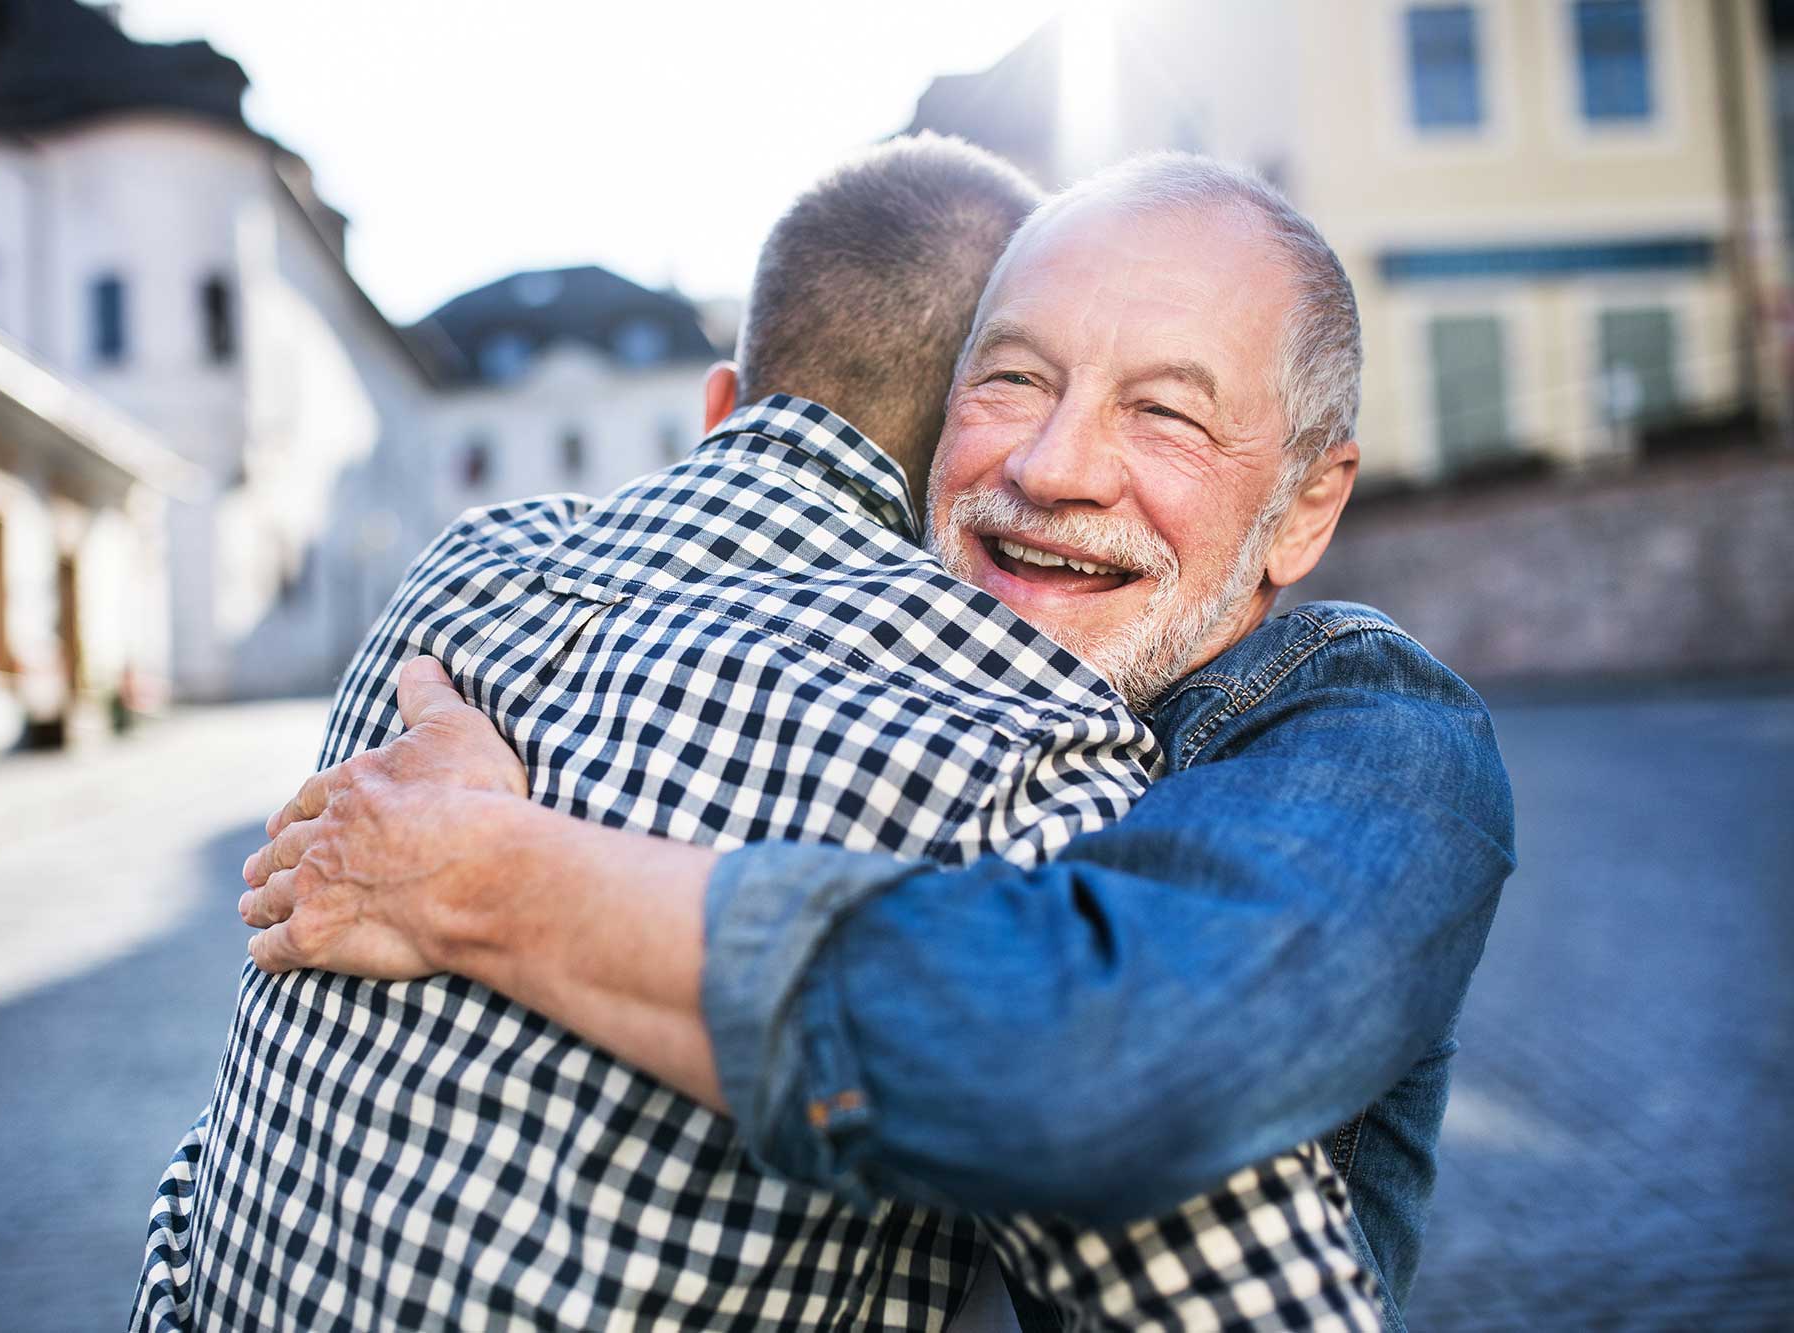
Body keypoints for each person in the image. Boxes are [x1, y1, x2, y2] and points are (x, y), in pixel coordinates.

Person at [235, 151, 1516, 1330]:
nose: (1055, 463)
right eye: (1011, 376)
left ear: (1303, 507)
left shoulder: (1372, 732)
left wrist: (482, 871)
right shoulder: (910, 700)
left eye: (1164, 413)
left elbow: (1100, 1058)